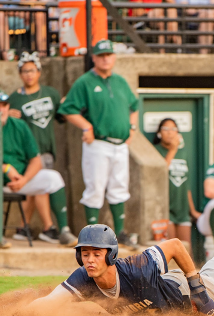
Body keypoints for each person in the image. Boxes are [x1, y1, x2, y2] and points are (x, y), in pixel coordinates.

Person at [29, 223, 214, 315]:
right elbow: (50, 302)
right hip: (177, 290)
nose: (90, 260)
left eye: (97, 254)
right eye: (85, 254)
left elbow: (175, 245)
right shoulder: (83, 278)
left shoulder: (136, 268)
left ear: (111, 255)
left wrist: (197, 288)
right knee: (209, 278)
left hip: (185, 291)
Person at [59, 39, 139, 247]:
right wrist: (86, 126)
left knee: (119, 187)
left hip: (120, 144)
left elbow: (134, 106)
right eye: (101, 55)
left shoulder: (120, 81)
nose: (105, 59)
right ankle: (92, 237)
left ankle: (120, 232)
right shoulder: (85, 81)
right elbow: (67, 109)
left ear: (113, 57)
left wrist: (132, 128)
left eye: (108, 55)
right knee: (95, 188)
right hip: (99, 144)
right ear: (93, 58)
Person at [0, 89, 77, 246]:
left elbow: (36, 159)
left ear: (9, 107)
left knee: (53, 177)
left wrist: (24, 179)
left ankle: (64, 231)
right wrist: (6, 168)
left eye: (4, 105)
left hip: (19, 180)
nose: (0, 110)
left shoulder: (19, 125)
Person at [153, 118, 201, 244]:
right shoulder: (155, 150)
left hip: (182, 209)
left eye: (173, 129)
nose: (170, 132)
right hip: (165, 209)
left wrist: (192, 211)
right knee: (171, 248)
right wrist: (173, 150)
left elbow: (186, 185)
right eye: (165, 129)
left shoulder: (183, 153)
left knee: (185, 251)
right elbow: (159, 174)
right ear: (159, 133)